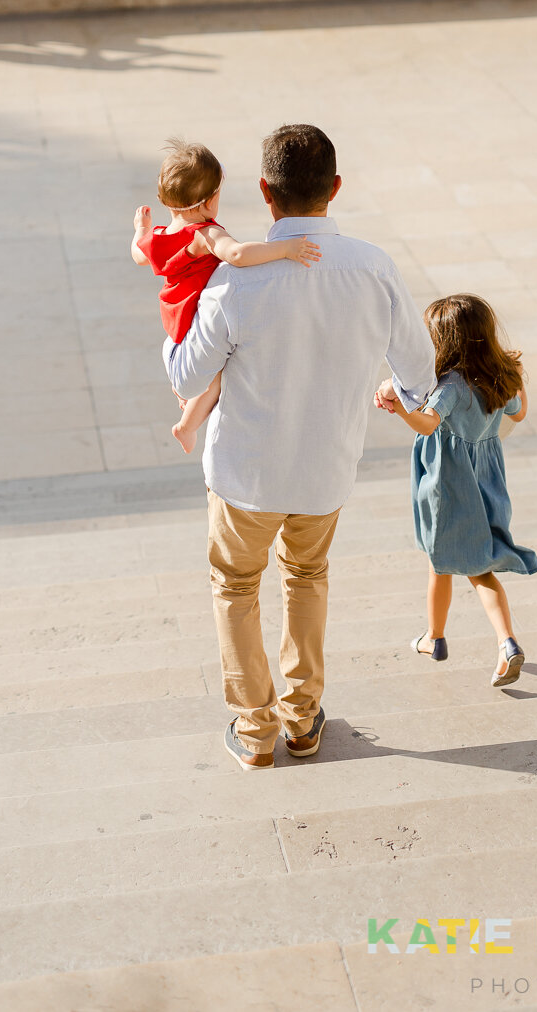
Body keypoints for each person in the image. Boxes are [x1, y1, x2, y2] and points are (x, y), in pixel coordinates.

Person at [165, 124, 436, 771]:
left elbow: (185, 377)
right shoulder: (374, 268)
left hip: (242, 477)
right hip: (325, 473)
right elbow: (419, 376)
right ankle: (303, 717)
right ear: (335, 188)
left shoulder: (234, 281)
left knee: (236, 585)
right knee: (307, 577)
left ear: (265, 193)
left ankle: (254, 730)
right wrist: (392, 392)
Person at [374, 293, 537, 687]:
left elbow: (428, 424)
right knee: (479, 559)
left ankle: (447, 638)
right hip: (486, 475)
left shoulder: (451, 385)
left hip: (448, 483)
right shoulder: (502, 374)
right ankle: (486, 640)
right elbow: (520, 411)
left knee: (447, 563)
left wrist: (399, 408)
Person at [133, 138, 320, 453]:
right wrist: (284, 249)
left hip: (175, 328)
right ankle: (187, 426)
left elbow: (138, 254)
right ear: (209, 202)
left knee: (215, 366)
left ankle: (188, 413)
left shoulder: (161, 237)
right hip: (191, 325)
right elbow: (235, 253)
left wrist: (141, 228)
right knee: (220, 372)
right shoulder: (204, 235)